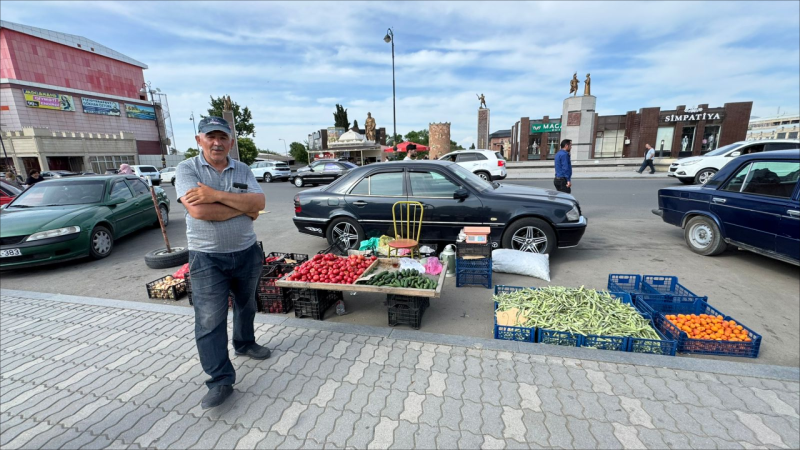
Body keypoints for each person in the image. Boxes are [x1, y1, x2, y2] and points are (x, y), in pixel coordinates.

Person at [175, 116, 268, 410]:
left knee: (247, 304)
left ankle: (244, 343)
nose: (217, 143)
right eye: (210, 137)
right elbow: (200, 212)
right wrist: (243, 208)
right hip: (207, 257)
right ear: (199, 140)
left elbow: (260, 203)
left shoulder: (241, 168)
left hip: (246, 251)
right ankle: (220, 380)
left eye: (222, 137)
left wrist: (215, 195)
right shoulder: (187, 169)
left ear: (230, 141)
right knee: (209, 320)